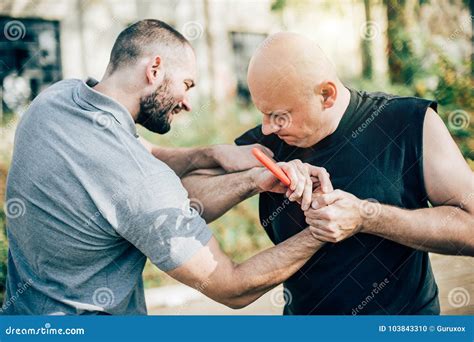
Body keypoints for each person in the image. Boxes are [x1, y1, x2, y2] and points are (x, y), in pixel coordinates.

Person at [2, 21, 332, 315]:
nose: (188, 102)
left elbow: (143, 151)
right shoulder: (140, 180)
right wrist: (323, 229)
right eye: (187, 84)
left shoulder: (55, 100)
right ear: (155, 69)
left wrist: (217, 158)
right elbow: (232, 286)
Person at [183, 32, 474, 315]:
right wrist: (251, 181)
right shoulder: (268, 143)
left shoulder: (409, 123)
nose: (268, 127)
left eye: (279, 115)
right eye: (262, 113)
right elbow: (186, 199)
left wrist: (365, 216)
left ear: (326, 95)